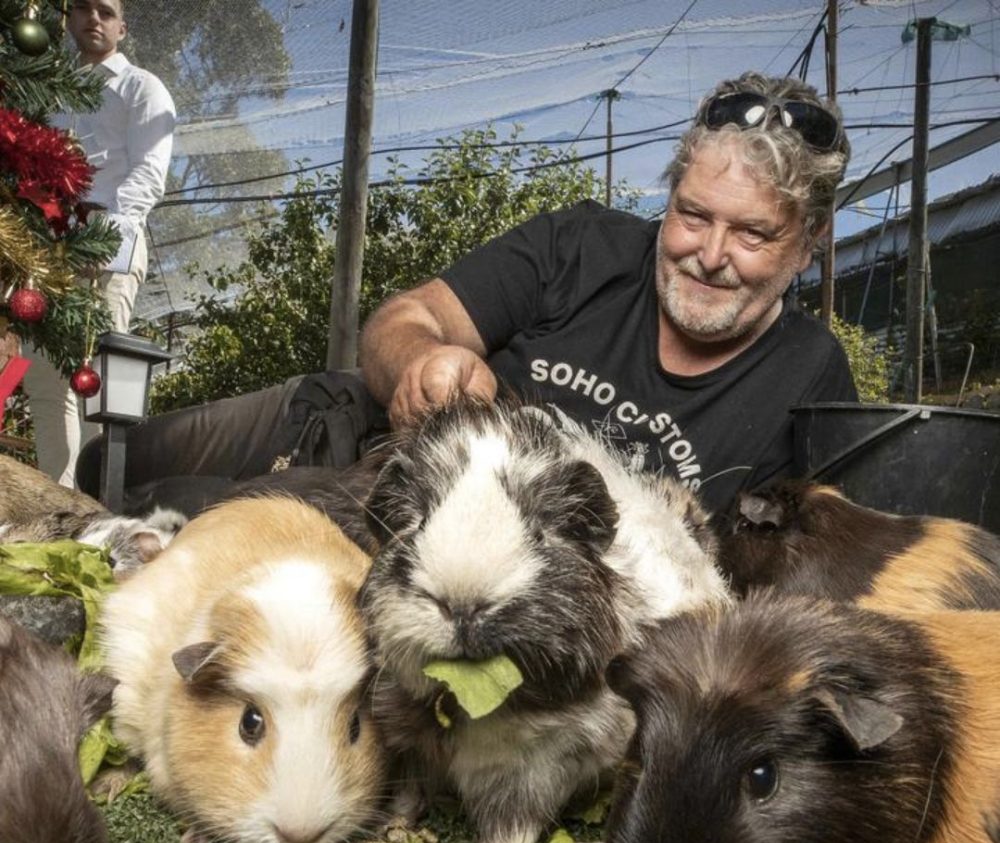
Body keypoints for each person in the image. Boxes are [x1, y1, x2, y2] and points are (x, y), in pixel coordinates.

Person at [360, 71, 857, 512]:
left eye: (752, 233)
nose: (709, 255)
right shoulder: (577, 248)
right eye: (693, 215)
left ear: (810, 242)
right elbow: (406, 319)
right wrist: (422, 365)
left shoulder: (812, 374)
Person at [22, 0, 175, 487]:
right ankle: (57, 501)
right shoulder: (45, 94)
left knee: (100, 385)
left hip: (107, 253)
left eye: (106, 11)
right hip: (42, 257)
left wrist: (98, 240)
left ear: (123, 27)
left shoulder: (140, 87)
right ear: (66, 20)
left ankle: (96, 505)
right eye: (83, 8)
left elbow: (149, 174)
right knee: (45, 382)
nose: (94, 18)